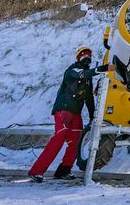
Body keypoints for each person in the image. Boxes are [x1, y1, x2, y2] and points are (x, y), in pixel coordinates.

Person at [27, 47, 115, 183]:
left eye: (89, 55)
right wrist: (104, 68)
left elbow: (89, 99)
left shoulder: (87, 78)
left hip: (75, 113)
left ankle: (64, 170)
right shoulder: (72, 71)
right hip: (63, 110)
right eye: (83, 55)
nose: (87, 57)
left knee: (76, 142)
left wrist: (92, 117)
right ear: (78, 57)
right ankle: (36, 171)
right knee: (59, 137)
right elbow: (82, 74)